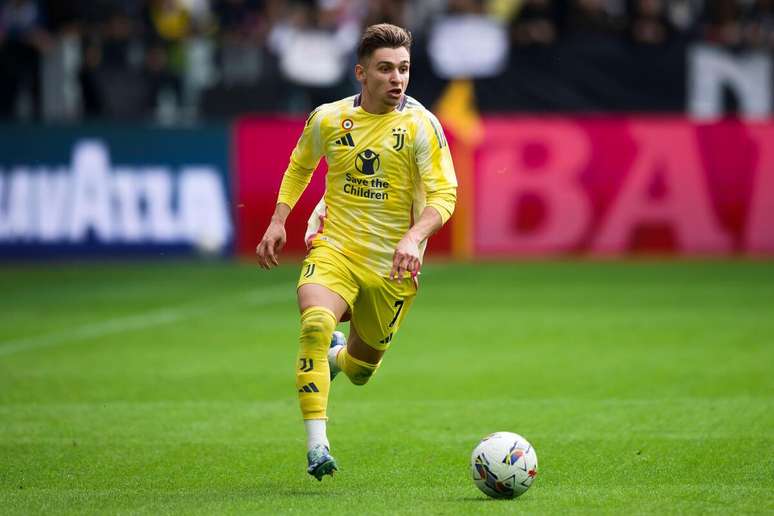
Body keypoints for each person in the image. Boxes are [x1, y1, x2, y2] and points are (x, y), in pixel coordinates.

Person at [255, 23, 457, 481]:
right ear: (360, 73)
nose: (397, 79)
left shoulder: (422, 125)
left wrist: (413, 237)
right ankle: (317, 446)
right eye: (385, 69)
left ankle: (337, 359)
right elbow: (300, 165)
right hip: (336, 247)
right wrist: (278, 219)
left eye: (403, 69)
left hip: (393, 264)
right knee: (315, 323)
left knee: (363, 370)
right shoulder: (327, 118)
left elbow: (446, 196)